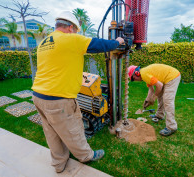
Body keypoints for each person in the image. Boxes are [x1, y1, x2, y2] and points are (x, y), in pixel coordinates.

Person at [32, 11, 124, 173]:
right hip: (59, 99)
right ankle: (86, 156)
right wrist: (117, 41)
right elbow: (100, 45)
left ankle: (59, 164)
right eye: (75, 30)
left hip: (39, 95)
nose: (75, 33)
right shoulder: (70, 39)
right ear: (69, 27)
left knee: (51, 133)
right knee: (73, 129)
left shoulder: (45, 42)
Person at [128, 64, 181, 136]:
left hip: (172, 77)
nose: (135, 80)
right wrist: (147, 100)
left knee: (167, 100)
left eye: (133, 79)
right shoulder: (144, 75)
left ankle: (171, 127)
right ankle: (159, 115)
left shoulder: (144, 74)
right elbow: (151, 90)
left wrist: (153, 98)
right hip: (167, 77)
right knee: (160, 96)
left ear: (136, 74)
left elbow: (159, 86)